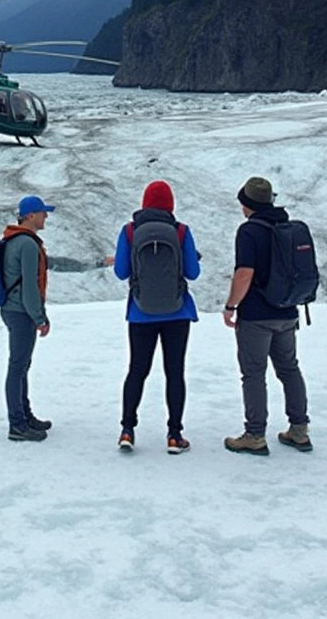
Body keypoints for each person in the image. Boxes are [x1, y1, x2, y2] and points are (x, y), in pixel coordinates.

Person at [223, 177, 312, 455]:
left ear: (246, 204)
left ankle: (255, 435)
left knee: (253, 374)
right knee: (289, 368)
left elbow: (244, 273)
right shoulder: (286, 227)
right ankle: (299, 430)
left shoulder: (249, 232)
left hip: (256, 316)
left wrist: (231, 306)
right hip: (287, 310)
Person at [113, 180, 201, 453]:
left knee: (137, 370)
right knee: (175, 372)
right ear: (170, 205)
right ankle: (175, 435)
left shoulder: (129, 231)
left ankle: (127, 430)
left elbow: (121, 271)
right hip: (177, 312)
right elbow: (193, 273)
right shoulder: (181, 231)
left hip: (140, 312)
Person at [0, 195, 54, 442]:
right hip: (21, 312)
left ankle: (24, 416)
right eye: (43, 213)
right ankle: (18, 425)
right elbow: (30, 287)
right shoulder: (28, 245)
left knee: (21, 366)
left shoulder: (14, 240)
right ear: (30, 215)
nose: (46, 217)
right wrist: (39, 318)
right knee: (18, 367)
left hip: (13, 309)